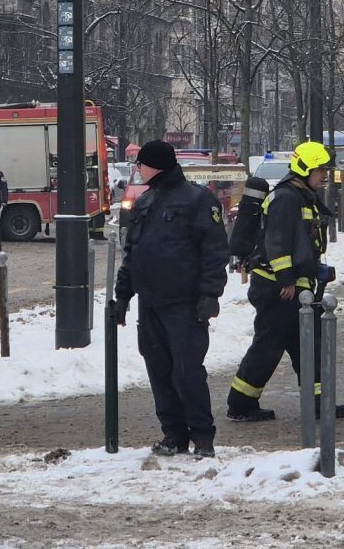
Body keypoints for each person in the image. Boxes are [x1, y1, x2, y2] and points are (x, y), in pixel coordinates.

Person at [113, 140, 230, 458]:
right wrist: (123, 296)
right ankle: (174, 434)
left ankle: (202, 437)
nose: (138, 170)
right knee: (159, 371)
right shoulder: (145, 201)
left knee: (187, 371)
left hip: (184, 303)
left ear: (155, 165)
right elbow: (133, 254)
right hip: (150, 303)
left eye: (141, 164)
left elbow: (215, 251)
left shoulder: (197, 199)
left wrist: (210, 293)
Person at [227, 141, 344, 424]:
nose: (325, 175)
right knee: (269, 346)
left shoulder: (301, 195)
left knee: (309, 344)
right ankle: (240, 403)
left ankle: (319, 401)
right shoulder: (286, 198)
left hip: (295, 285)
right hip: (278, 287)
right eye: (320, 170)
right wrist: (287, 279)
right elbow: (277, 242)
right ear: (304, 168)